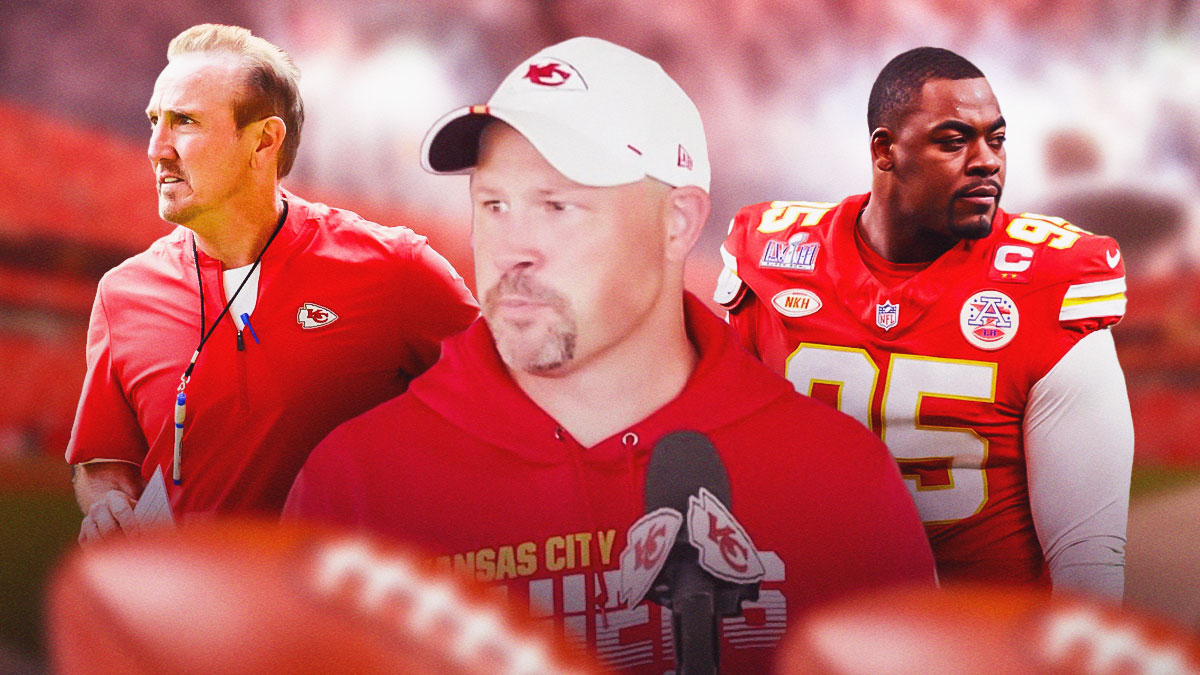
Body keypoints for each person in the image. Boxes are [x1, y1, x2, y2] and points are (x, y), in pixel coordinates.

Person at [284, 37, 936, 673]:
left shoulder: (838, 478)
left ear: (677, 222)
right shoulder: (359, 486)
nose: (511, 248)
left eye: (556, 205)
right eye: (494, 204)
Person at [715, 47, 1133, 599]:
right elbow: (718, 467)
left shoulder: (1050, 281)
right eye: (955, 141)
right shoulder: (772, 262)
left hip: (989, 643)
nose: (987, 161)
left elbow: (1089, 559)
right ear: (885, 150)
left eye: (997, 139)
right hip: (816, 633)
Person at [67, 24, 478, 543]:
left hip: (349, 614)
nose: (155, 148)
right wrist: (109, 504)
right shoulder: (122, 294)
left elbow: (504, 404)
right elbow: (104, 458)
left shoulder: (397, 268)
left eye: (184, 122)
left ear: (264, 140)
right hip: (192, 612)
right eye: (154, 122)